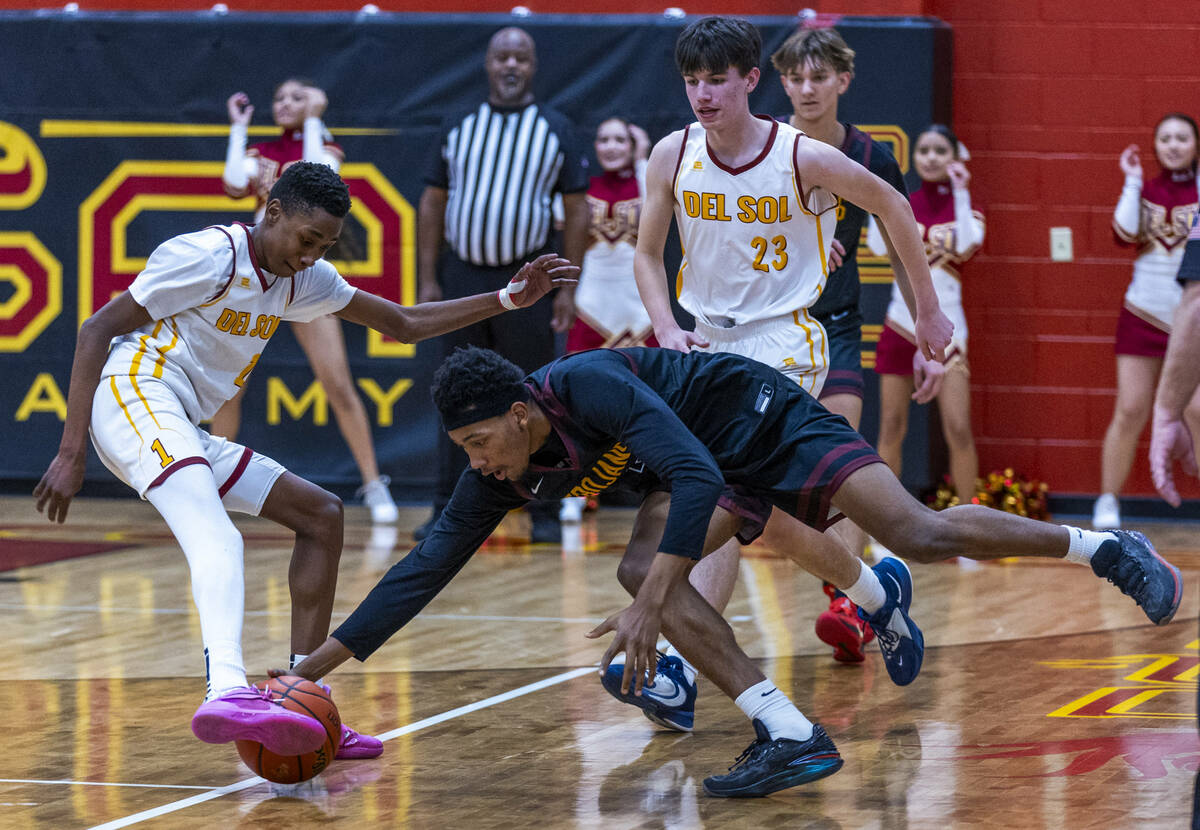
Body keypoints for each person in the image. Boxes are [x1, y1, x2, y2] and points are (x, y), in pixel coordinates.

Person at [282, 345, 1182, 798]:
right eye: (465, 450)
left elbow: (696, 475)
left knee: (920, 529)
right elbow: (424, 566)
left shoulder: (588, 384)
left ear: (522, 414)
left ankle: (1105, 549)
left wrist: (654, 605)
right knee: (646, 571)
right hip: (708, 462)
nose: (477, 463)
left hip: (761, 419)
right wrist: (305, 673)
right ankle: (790, 733)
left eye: (481, 443)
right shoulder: (501, 468)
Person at [32, 162, 577, 761]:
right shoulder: (208, 256)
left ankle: (300, 695)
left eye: (325, 245)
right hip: (135, 392)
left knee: (321, 514)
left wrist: (507, 298)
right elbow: (96, 328)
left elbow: (402, 323)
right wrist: (70, 449)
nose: (311, 255)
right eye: (306, 239)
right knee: (218, 537)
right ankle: (227, 691)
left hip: (180, 423)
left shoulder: (305, 280)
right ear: (273, 213)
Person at [617, 16, 955, 722]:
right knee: (761, 516)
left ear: (748, 80)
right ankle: (873, 589)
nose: (703, 95)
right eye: (692, 81)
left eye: (717, 80)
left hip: (787, 344)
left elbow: (894, 207)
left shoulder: (800, 154)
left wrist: (926, 313)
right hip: (705, 343)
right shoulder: (670, 155)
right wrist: (668, 326)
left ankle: (677, 667)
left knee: (709, 493)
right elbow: (648, 256)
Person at [772, 25, 940, 664]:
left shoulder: (871, 156)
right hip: (769, 326)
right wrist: (795, 246)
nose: (807, 88)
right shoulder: (764, 144)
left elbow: (902, 245)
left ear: (843, 80)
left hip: (834, 325)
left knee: (837, 461)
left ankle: (849, 604)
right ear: (782, 81)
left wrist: (926, 321)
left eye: (819, 77)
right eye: (796, 77)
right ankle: (864, 592)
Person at [415, 26, 590, 544]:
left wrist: (566, 288)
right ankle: (446, 511)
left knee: (534, 396)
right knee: (455, 395)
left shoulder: (556, 128)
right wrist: (428, 279)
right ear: (488, 65)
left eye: (521, 57)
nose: (511, 65)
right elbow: (432, 203)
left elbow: (577, 211)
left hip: (527, 281)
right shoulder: (459, 125)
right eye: (502, 57)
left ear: (532, 66)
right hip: (463, 278)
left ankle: (544, 512)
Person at [219, 78, 400, 525]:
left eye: (297, 98)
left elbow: (323, 177)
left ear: (314, 103)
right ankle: (213, 484)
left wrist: (316, 119)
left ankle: (374, 484)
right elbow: (232, 183)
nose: (285, 104)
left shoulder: (324, 144)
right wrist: (238, 128)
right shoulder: (260, 152)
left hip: (301, 276)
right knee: (229, 387)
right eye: (278, 97)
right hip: (257, 274)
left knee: (336, 382)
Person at [1094, 113, 1200, 528]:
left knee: (1196, 408)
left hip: (1192, 319)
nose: (1174, 145)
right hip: (1142, 313)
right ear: (1155, 146)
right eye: (1166, 139)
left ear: (1195, 144)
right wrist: (1132, 180)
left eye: (1182, 138)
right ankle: (1107, 503)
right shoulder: (1146, 188)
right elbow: (1122, 232)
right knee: (1131, 408)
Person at [874, 124, 984, 507]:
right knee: (891, 426)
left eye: (941, 150)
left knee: (958, 428)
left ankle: (970, 526)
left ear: (955, 157)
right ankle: (886, 519)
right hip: (899, 323)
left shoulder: (967, 207)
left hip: (948, 329)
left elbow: (969, 245)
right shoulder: (901, 204)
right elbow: (876, 244)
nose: (932, 158)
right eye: (924, 150)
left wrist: (961, 190)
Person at [560, 116, 656, 523]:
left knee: (654, 401)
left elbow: (662, 199)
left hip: (641, 312)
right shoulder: (581, 190)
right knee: (575, 403)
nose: (612, 145)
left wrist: (645, 155)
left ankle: (657, 481)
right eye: (604, 138)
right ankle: (577, 488)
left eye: (620, 138)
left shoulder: (650, 182)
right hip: (591, 307)